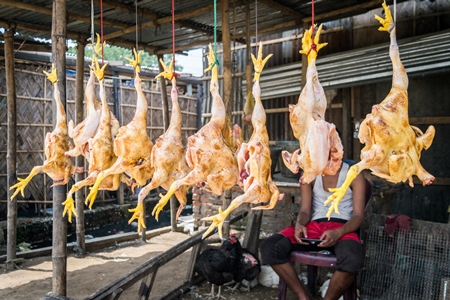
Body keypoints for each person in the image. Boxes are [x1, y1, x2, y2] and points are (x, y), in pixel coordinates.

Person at [259, 160, 366, 300]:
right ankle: (304, 297)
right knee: (270, 247)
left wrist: (338, 232)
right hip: (314, 227)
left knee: (352, 260)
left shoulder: (354, 174)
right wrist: (299, 224)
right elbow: (304, 211)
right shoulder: (309, 174)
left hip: (343, 228)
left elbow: (358, 216)